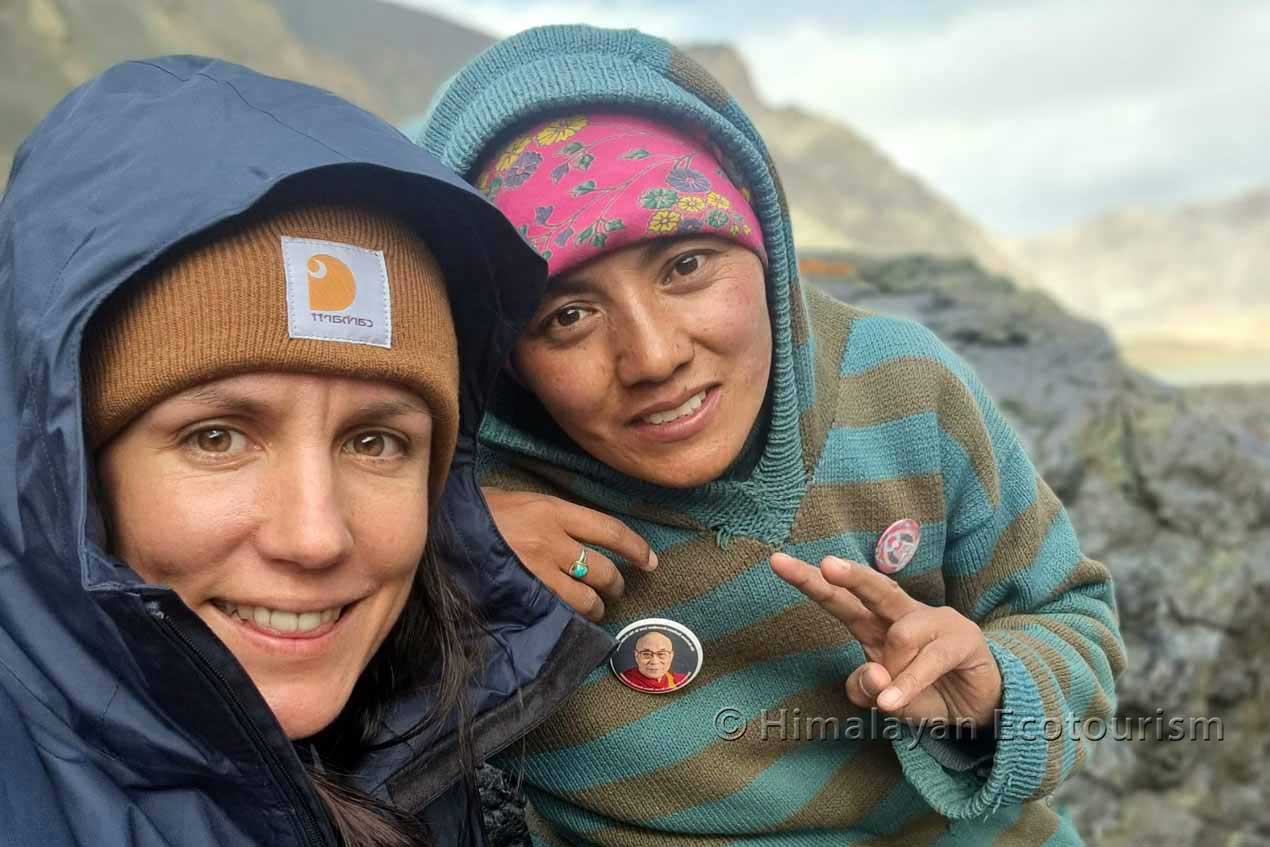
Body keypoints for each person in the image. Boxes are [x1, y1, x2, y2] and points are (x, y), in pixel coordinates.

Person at [419, 24, 1128, 846]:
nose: (652, 356)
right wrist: (442, 549)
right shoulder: (472, 499)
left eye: (685, 264)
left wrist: (994, 688)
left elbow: (1070, 611)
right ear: (502, 352)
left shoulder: (907, 391)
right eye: (568, 315)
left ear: (766, 241)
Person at [0, 56, 603, 847]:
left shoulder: (430, 723)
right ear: (70, 473)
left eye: (375, 441)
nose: (316, 535)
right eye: (216, 437)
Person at [621, 631, 688, 692]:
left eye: (661, 654)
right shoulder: (625, 681)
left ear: (671, 656)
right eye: (646, 654)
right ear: (636, 656)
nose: (654, 661)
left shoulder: (681, 680)